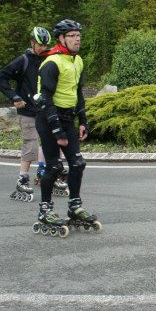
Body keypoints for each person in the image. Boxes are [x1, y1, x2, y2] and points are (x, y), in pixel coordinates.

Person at [33, 19, 100, 236]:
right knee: (53, 167)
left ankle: (74, 206)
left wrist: (84, 122)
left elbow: (78, 93)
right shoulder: (51, 63)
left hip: (67, 117)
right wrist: (57, 131)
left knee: (78, 163)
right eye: (72, 35)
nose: (77, 38)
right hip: (48, 117)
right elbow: (45, 98)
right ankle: (45, 210)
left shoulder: (77, 61)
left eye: (78, 35)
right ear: (61, 39)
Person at [0, 26, 56, 202]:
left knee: (49, 139)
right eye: (40, 45)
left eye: (46, 45)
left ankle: (43, 169)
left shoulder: (50, 59)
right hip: (28, 110)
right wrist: (14, 96)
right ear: (32, 43)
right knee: (31, 142)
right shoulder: (23, 60)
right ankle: (22, 178)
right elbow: (0, 78)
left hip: (45, 108)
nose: (43, 48)